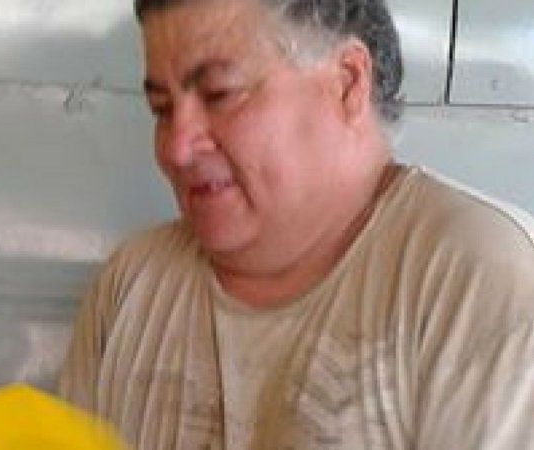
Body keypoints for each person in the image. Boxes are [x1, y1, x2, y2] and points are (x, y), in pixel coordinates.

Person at [59, 0, 534, 448]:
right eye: (162, 109)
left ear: (347, 82)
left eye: (221, 94)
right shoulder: (132, 284)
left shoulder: (475, 280)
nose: (177, 149)